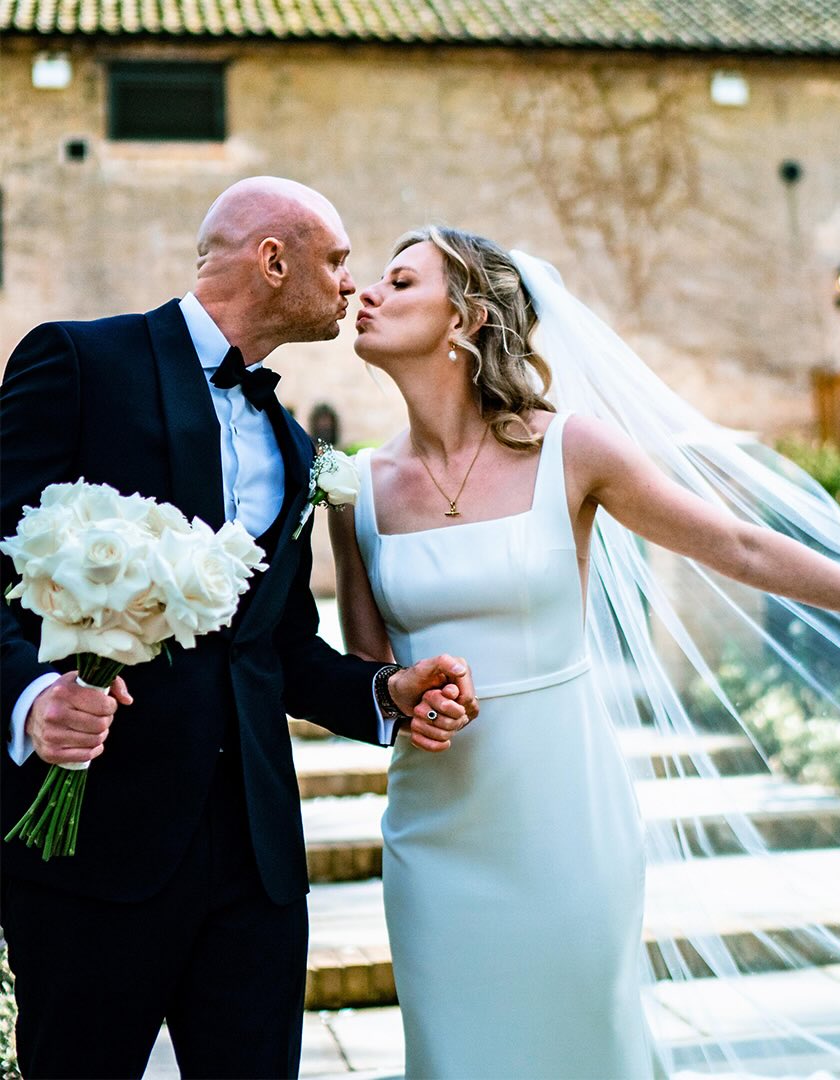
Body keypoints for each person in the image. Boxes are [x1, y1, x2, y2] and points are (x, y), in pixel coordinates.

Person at [330, 227, 840, 1078]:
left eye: (397, 281)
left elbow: (739, 547)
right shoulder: (355, 488)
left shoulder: (572, 450)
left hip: (562, 817)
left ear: (465, 317)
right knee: (455, 1051)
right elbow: (372, 671)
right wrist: (407, 695)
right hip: (435, 825)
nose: (367, 294)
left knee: (583, 1041)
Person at [0, 179, 480, 1079]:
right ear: (273, 259)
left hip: (256, 869)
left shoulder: (295, 449)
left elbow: (278, 648)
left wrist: (384, 693)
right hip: (92, 849)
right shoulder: (77, 362)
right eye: (338, 261)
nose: (350, 285)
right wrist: (31, 701)